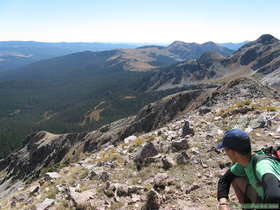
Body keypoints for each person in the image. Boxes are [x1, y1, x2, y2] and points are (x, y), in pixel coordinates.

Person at [216, 129, 280, 210]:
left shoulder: (262, 166)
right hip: (265, 200)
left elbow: (275, 196)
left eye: (225, 149)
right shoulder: (246, 162)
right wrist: (223, 203)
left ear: (233, 153)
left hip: (273, 203)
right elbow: (225, 179)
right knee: (236, 179)